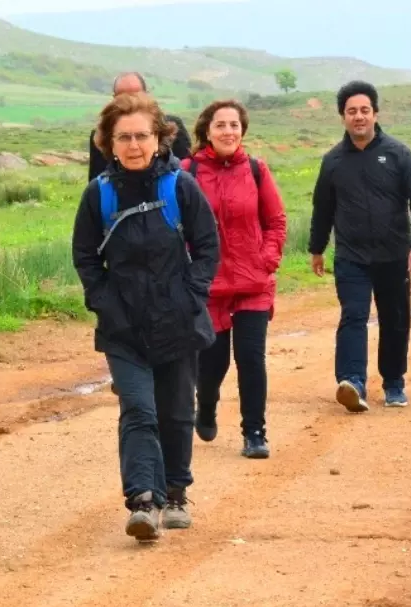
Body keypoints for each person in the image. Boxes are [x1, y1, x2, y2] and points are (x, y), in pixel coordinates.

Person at [71, 92, 220, 542]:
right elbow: (85, 257)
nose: (134, 145)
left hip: (177, 321)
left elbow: (208, 248)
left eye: (142, 136)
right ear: (108, 144)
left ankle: (175, 492)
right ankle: (143, 501)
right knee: (138, 409)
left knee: (176, 413)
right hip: (124, 328)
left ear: (159, 139)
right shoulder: (98, 194)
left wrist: (189, 296)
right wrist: (106, 304)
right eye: (124, 137)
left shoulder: (180, 187)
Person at [307, 80, 411, 413]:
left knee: (394, 319)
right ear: (342, 117)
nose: (359, 117)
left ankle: (394, 382)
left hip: (393, 256)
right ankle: (352, 382)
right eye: (352, 111)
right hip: (352, 257)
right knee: (353, 316)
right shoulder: (333, 161)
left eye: (365, 110)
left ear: (375, 114)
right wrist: (317, 248)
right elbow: (323, 207)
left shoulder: (398, 154)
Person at [180, 99, 288, 460]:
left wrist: (268, 258)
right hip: (209, 286)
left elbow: (275, 221)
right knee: (212, 363)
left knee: (250, 357)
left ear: (243, 130)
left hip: (253, 282)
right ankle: (206, 405)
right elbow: (175, 226)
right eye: (221, 125)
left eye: (234, 125)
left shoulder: (257, 170)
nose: (229, 131)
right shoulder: (188, 171)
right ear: (207, 131)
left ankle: (254, 433)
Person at [88, 72, 192, 182]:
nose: (129, 101)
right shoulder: (101, 134)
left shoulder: (171, 126)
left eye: (136, 95)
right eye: (122, 97)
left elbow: (186, 168)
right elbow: (97, 178)